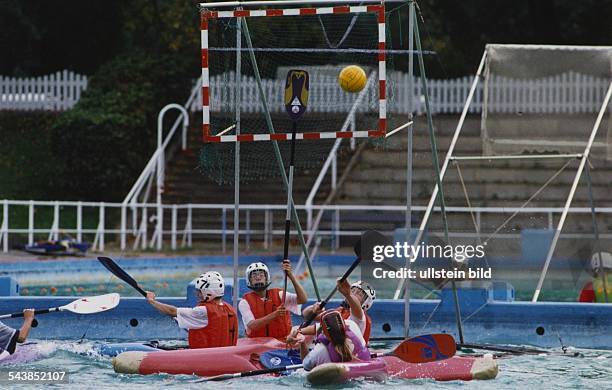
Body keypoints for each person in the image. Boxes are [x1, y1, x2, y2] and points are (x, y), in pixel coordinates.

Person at [146, 271, 238, 348]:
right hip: (226, 356)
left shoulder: (203, 311)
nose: (197, 294)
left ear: (210, 292)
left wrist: (152, 301)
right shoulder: (229, 308)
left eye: (200, 292)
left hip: (206, 359)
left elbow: (172, 311)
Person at [238, 260, 307, 341]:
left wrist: (290, 275)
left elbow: (303, 299)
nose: (258, 277)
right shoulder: (244, 302)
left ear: (267, 277)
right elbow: (252, 325)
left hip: (283, 341)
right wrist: (275, 314)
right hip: (257, 344)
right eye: (254, 275)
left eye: (261, 275)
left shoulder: (280, 294)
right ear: (249, 280)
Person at [301, 280, 375, 343]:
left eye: (359, 294)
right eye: (352, 290)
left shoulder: (360, 317)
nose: (354, 293)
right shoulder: (340, 311)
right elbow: (306, 315)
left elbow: (356, 307)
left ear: (366, 304)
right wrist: (313, 309)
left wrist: (348, 294)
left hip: (350, 355)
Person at [301, 309, 370, 371]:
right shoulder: (352, 325)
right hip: (363, 372)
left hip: (335, 380)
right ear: (344, 324)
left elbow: (306, 366)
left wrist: (302, 343)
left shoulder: (320, 350)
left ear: (324, 333)